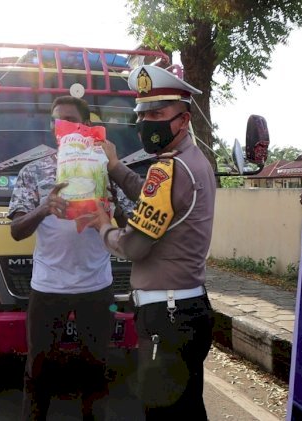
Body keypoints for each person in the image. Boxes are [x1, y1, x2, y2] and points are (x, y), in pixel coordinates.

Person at [84, 65, 216, 419]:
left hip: (166, 317)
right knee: (187, 411)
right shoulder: (191, 161)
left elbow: (134, 247)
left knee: (165, 414)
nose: (146, 122)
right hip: (186, 310)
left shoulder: (168, 168)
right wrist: (115, 166)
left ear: (183, 119)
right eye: (141, 113)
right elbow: (152, 197)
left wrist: (102, 225)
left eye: (157, 113)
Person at [8, 96, 131, 421]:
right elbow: (17, 230)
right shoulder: (34, 171)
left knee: (96, 371)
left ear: (84, 126)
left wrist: (109, 205)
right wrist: (44, 207)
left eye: (67, 120)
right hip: (49, 287)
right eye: (55, 121)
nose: (58, 127)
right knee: (38, 372)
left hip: (97, 286)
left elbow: (131, 223)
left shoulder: (103, 167)